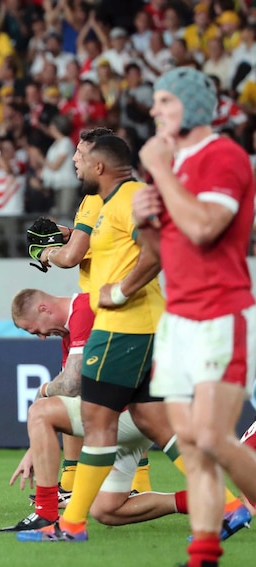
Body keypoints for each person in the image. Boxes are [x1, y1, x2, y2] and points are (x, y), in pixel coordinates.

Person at [3, 289, 250, 538]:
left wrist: (42, 391)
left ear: (43, 309)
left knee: (40, 411)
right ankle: (212, 502)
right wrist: (35, 447)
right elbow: (68, 393)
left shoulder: (84, 310)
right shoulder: (70, 333)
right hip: (132, 411)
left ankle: (46, 515)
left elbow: (70, 385)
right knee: (107, 510)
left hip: (122, 413)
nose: (41, 337)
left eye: (34, 330)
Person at [18, 134, 169, 543]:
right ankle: (222, 504)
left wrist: (48, 255)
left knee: (88, 417)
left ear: (100, 163)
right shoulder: (100, 205)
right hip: (124, 321)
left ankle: (60, 520)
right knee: (150, 430)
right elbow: (92, 248)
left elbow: (146, 252)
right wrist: (69, 237)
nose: (75, 163)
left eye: (81, 155)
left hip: (128, 322)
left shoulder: (119, 199)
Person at [133, 66, 256, 567]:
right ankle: (203, 555)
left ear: (190, 106)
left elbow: (206, 227)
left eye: (164, 100)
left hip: (219, 312)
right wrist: (145, 223)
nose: (154, 110)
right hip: (178, 320)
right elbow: (168, 248)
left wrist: (158, 170)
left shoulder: (223, 155)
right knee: (192, 446)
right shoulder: (175, 165)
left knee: (211, 436)